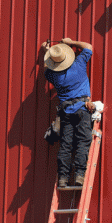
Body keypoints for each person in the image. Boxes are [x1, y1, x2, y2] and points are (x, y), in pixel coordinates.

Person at [41, 37, 96, 187]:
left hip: (66, 112)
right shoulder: (79, 65)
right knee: (82, 143)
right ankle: (79, 175)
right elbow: (88, 46)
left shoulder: (54, 75)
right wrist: (71, 42)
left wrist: (48, 51)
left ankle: (63, 178)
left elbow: (47, 68)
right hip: (82, 109)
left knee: (66, 145)